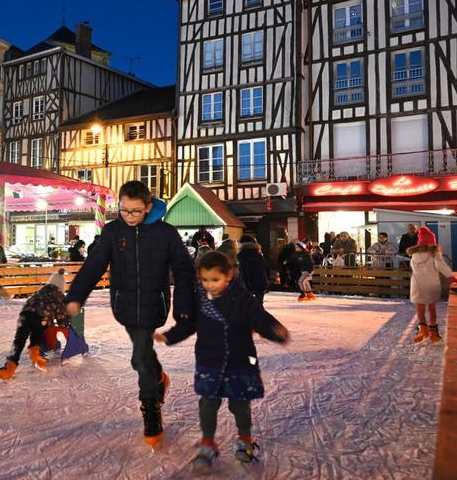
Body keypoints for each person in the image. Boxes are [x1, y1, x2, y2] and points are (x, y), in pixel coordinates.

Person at [62, 180, 195, 448]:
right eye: (124, 210)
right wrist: (76, 297)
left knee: (140, 357)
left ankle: (151, 410)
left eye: (135, 211)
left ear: (148, 207)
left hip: (153, 305)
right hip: (124, 306)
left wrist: (183, 305)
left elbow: (184, 270)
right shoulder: (113, 232)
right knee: (142, 356)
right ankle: (158, 377)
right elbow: (93, 266)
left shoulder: (166, 233)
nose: (129, 216)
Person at [154, 251, 289, 469]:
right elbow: (189, 325)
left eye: (215, 280)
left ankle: (245, 439)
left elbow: (259, 317)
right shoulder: (199, 299)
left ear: (229, 275)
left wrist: (275, 331)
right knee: (208, 404)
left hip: (239, 361)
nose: (210, 285)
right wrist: (170, 336)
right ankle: (208, 443)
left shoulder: (242, 298)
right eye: (205, 280)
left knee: (239, 405)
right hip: (210, 361)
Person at [0, 269, 68, 380]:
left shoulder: (41, 290)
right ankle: (35, 355)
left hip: (25, 314)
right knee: (37, 334)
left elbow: (31, 303)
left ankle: (9, 368)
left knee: (19, 340)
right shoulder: (60, 296)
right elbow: (62, 319)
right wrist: (65, 323)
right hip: (41, 318)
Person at [407, 227, 457, 344]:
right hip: (431, 283)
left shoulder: (414, 254)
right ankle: (433, 332)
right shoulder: (434, 253)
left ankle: (423, 330)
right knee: (431, 308)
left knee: (420, 307)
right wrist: (451, 277)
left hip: (417, 284)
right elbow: (441, 266)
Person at [237, 235, 269, 306]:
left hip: (248, 284)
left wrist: (246, 284)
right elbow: (266, 268)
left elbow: (244, 270)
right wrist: (266, 281)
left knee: (246, 306)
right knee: (259, 305)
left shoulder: (242, 255)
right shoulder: (259, 254)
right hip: (261, 282)